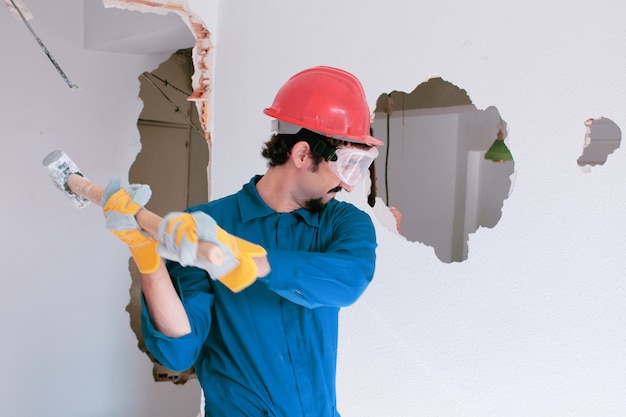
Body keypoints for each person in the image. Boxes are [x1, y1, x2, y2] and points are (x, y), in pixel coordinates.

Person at [102, 66, 383, 416]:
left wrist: (250, 260)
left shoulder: (343, 222)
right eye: (346, 164)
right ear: (301, 154)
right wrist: (147, 257)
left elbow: (349, 279)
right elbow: (178, 351)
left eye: (360, 164)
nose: (350, 184)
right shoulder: (203, 228)